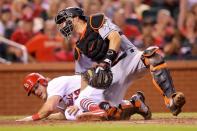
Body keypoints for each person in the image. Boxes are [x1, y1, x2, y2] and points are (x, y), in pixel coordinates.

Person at [54, 7, 185, 117]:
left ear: (76, 18)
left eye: (65, 21)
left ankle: (171, 99)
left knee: (153, 57)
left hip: (128, 58)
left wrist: (106, 60)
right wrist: (79, 101)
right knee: (107, 113)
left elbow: (114, 38)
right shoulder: (78, 48)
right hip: (111, 75)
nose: (63, 26)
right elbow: (83, 78)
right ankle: (136, 104)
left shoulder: (95, 21)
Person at [16, 73, 151, 121]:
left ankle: (99, 110)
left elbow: (48, 108)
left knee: (79, 103)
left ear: (43, 81)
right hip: (98, 94)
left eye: (36, 87)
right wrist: (46, 118)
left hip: (98, 83)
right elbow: (62, 115)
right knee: (71, 114)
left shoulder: (52, 85)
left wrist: (31, 118)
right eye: (33, 91)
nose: (36, 92)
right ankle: (135, 104)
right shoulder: (55, 97)